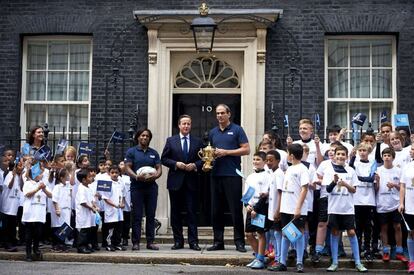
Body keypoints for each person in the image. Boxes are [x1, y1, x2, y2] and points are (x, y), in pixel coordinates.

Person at [207, 104, 250, 253]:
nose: (219, 116)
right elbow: (210, 151)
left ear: (228, 114)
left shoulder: (237, 130)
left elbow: (246, 149)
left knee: (235, 210)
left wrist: (226, 152)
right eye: (217, 113)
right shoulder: (213, 132)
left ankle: (239, 242)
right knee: (216, 210)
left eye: (222, 113)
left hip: (232, 174)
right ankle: (218, 241)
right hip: (216, 174)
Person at [161, 114, 203, 251]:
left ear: (191, 125)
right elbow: (164, 159)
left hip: (192, 181)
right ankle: (178, 241)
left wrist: (195, 165)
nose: (186, 126)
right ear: (179, 125)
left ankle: (193, 242)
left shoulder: (198, 142)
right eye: (183, 124)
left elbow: (204, 159)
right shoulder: (171, 141)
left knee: (192, 212)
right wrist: (176, 164)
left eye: (188, 124)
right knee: (176, 213)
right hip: (175, 182)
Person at [325, 145, 368, 272]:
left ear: (346, 156)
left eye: (343, 154)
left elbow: (354, 190)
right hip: (334, 208)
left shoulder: (351, 171)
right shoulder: (329, 170)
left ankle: (358, 262)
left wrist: (344, 184)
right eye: (338, 154)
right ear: (334, 155)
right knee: (335, 232)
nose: (340, 157)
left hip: (348, 208)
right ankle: (334, 262)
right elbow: (327, 189)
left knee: (351, 232)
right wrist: (334, 182)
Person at [125, 128, 162, 251]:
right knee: (137, 215)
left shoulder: (154, 153)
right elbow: (127, 168)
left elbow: (159, 169)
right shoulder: (132, 152)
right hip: (137, 187)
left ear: (149, 138)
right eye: (142, 135)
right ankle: (136, 242)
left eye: (147, 136)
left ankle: (150, 242)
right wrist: (136, 176)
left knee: (151, 215)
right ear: (138, 137)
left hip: (151, 188)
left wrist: (155, 176)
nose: (144, 137)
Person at [274, 144, 309, 273]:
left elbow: (304, 189)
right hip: (286, 208)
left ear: (292, 156)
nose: (286, 156)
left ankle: (299, 262)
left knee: (298, 233)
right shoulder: (289, 169)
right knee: (286, 234)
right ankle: (282, 262)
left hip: (296, 208)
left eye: (288, 153)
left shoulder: (302, 169)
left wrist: (298, 208)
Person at [375, 148, 408, 263]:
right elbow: (375, 189)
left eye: (389, 155)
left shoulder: (398, 171)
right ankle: (385, 251)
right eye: (385, 155)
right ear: (382, 157)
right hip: (382, 204)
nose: (387, 157)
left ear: (393, 157)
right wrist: (377, 182)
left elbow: (402, 188)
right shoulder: (378, 170)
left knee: (397, 226)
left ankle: (399, 251)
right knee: (384, 228)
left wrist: (394, 185)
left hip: (395, 204)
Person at [244, 151, 271, 269]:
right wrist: (246, 205)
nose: (255, 162)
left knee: (260, 233)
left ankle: (260, 258)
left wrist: (256, 209)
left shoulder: (267, 176)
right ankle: (259, 256)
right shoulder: (250, 176)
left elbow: (264, 196)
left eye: (258, 159)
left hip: (260, 208)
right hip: (251, 209)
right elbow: (246, 194)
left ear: (264, 162)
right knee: (248, 234)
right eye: (254, 159)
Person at [350, 143, 376, 262]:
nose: (362, 152)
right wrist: (353, 156)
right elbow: (350, 169)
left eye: (364, 150)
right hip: (357, 200)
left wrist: (358, 177)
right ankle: (357, 250)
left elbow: (371, 179)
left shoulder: (372, 164)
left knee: (368, 227)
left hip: (369, 200)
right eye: (360, 150)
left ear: (369, 151)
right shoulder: (355, 163)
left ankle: (367, 249)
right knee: (357, 227)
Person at [22, 160, 52, 261]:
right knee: (29, 234)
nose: (40, 175)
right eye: (38, 173)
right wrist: (37, 189)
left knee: (38, 233)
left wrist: (43, 189)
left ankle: (36, 249)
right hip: (30, 214)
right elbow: (27, 194)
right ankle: (28, 253)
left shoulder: (43, 184)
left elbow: (50, 195)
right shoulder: (27, 183)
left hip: (39, 214)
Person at [265, 150, 284, 271]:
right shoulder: (272, 173)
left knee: (278, 234)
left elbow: (281, 193)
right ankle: (276, 257)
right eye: (267, 160)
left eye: (271, 160)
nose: (268, 163)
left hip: (277, 209)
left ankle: (279, 258)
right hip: (271, 209)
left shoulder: (279, 174)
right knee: (274, 234)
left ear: (278, 161)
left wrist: (278, 210)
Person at [102, 165, 126, 251]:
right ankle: (109, 244)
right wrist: (115, 205)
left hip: (119, 210)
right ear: (109, 173)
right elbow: (105, 198)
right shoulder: (107, 183)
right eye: (112, 172)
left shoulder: (121, 182)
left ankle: (117, 243)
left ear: (119, 173)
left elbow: (123, 194)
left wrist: (122, 203)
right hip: (111, 210)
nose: (114, 174)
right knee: (110, 228)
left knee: (118, 227)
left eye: (116, 172)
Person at [1, 160, 23, 252]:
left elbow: (22, 187)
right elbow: (9, 186)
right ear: (15, 167)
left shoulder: (19, 176)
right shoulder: (9, 174)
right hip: (7, 206)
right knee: (7, 226)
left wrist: (20, 176)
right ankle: (6, 244)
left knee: (13, 225)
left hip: (14, 206)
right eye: (20, 166)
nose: (22, 167)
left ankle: (12, 241)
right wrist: (13, 176)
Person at [75, 168, 98, 254]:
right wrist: (91, 208)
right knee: (83, 230)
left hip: (89, 213)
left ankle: (87, 245)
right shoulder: (81, 188)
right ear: (84, 180)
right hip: (83, 213)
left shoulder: (88, 188)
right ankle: (81, 246)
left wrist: (94, 205)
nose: (91, 178)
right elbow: (83, 202)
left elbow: (91, 200)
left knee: (89, 229)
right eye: (89, 177)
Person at [399, 143, 414, 273]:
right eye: (411, 149)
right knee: (411, 233)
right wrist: (401, 203)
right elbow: (403, 186)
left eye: (413, 149)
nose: (411, 151)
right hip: (410, 206)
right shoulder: (407, 167)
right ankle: (412, 261)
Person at [51, 168, 72, 252]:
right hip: (60, 209)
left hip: (67, 210)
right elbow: (54, 199)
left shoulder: (67, 186)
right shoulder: (57, 187)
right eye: (67, 175)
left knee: (65, 227)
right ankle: (57, 244)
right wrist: (57, 209)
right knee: (59, 227)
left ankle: (62, 243)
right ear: (61, 177)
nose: (68, 177)